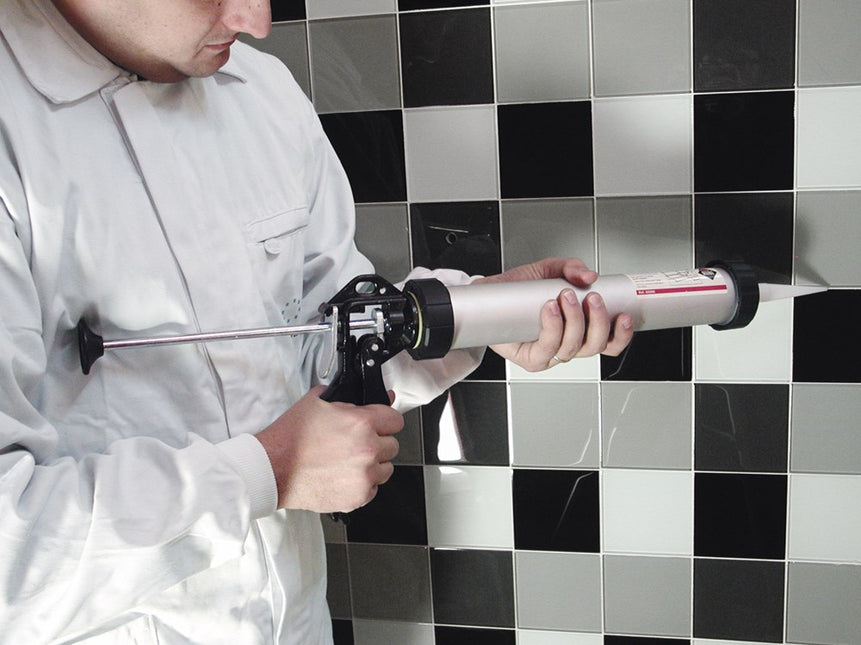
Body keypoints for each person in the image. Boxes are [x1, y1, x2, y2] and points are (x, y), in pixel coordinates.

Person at [0, 0, 634, 642]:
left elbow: (324, 343)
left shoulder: (260, 91)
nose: (256, 21)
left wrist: (475, 316)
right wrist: (269, 472)